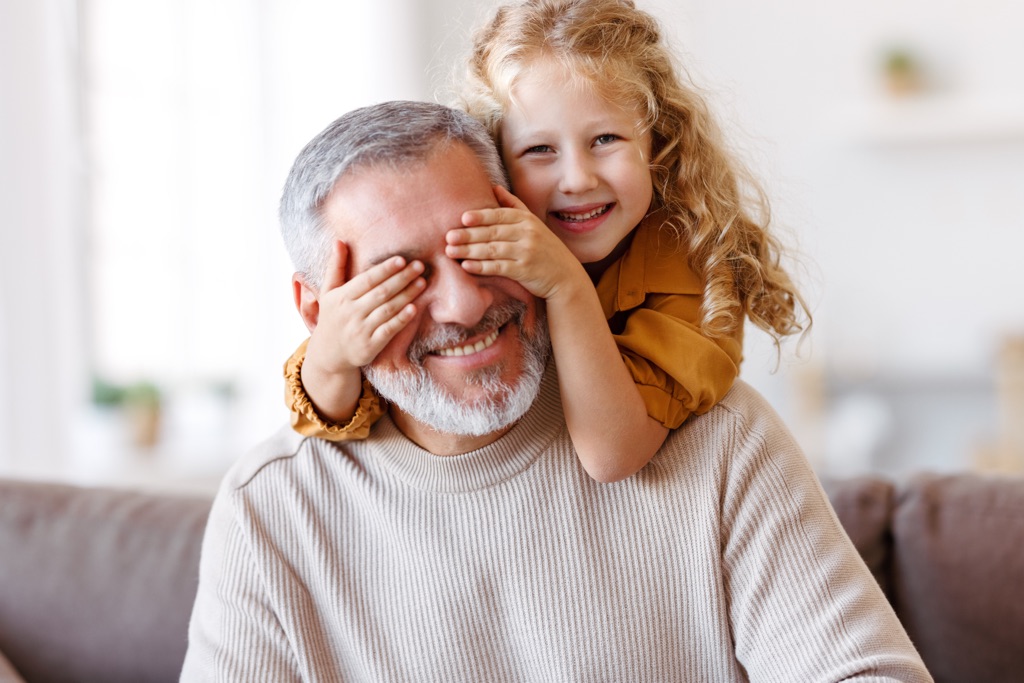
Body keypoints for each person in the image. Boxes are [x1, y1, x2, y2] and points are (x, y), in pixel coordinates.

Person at [180, 100, 931, 681]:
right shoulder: (270, 509)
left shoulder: (714, 432)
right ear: (318, 311)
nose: (465, 305)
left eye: (485, 246)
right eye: (400, 278)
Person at [282, 0, 810, 483]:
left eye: (605, 140)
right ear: (498, 165)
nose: (577, 178)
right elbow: (331, 417)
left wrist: (564, 285)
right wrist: (331, 357)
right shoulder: (471, 256)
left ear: (660, 143)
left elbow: (612, 455)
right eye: (539, 149)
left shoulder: (694, 270)